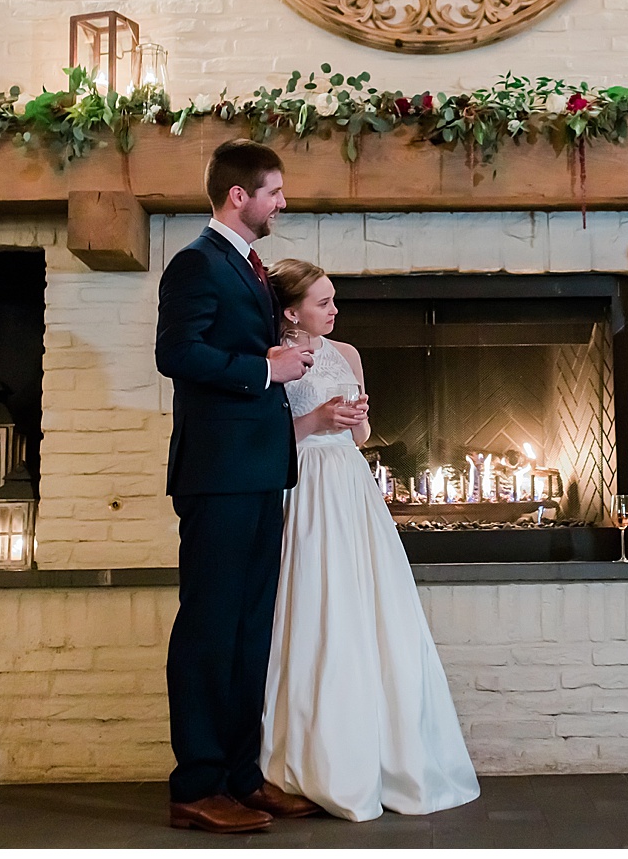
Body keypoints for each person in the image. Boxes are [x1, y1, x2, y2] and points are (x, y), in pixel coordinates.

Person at [259, 258, 481, 822]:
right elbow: (269, 438)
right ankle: (306, 760)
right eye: (323, 303)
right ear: (291, 311)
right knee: (314, 606)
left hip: (350, 485)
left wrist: (355, 415)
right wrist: (316, 418)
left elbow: (359, 434)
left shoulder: (349, 355)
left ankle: (386, 754)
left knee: (368, 607)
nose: (335, 311)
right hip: (304, 484)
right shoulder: (272, 358)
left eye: (334, 300)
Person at [155, 139, 323, 833]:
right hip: (219, 476)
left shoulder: (249, 268)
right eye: (275, 191)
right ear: (238, 196)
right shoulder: (197, 263)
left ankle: (242, 776)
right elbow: (176, 352)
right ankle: (197, 783)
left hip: (259, 472)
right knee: (210, 627)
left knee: (251, 628)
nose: (283, 202)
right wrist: (265, 368)